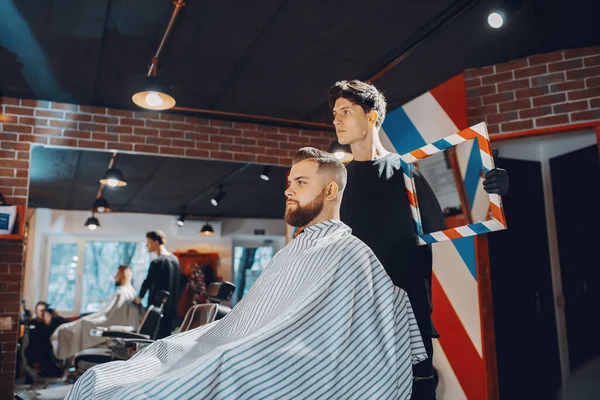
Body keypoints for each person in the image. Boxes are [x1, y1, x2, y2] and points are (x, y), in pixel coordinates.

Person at [66, 148, 426, 400]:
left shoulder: (349, 252)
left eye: (301, 182)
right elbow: (253, 319)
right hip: (235, 345)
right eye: (290, 181)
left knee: (208, 367)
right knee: (143, 361)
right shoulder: (296, 251)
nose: (288, 189)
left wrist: (240, 349)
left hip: (265, 358)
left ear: (330, 190)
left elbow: (341, 334)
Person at [329, 79, 510, 399]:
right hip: (352, 321)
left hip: (407, 320)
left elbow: (457, 227)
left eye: (346, 111)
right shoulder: (338, 184)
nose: (337, 120)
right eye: (334, 114)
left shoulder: (406, 172)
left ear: (371, 116)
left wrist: (493, 195)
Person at [50, 265, 143, 360]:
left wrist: (88, 320)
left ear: (124, 275)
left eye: (118, 274)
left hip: (112, 327)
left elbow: (110, 318)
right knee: (77, 323)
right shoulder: (130, 292)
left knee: (80, 324)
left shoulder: (122, 293)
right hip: (116, 325)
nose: (116, 277)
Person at [136, 231, 182, 339]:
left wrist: (139, 297)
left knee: (154, 338)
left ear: (156, 242)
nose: (147, 245)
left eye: (149, 242)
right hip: (171, 310)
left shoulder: (157, 262)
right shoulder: (175, 260)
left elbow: (147, 282)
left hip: (157, 308)